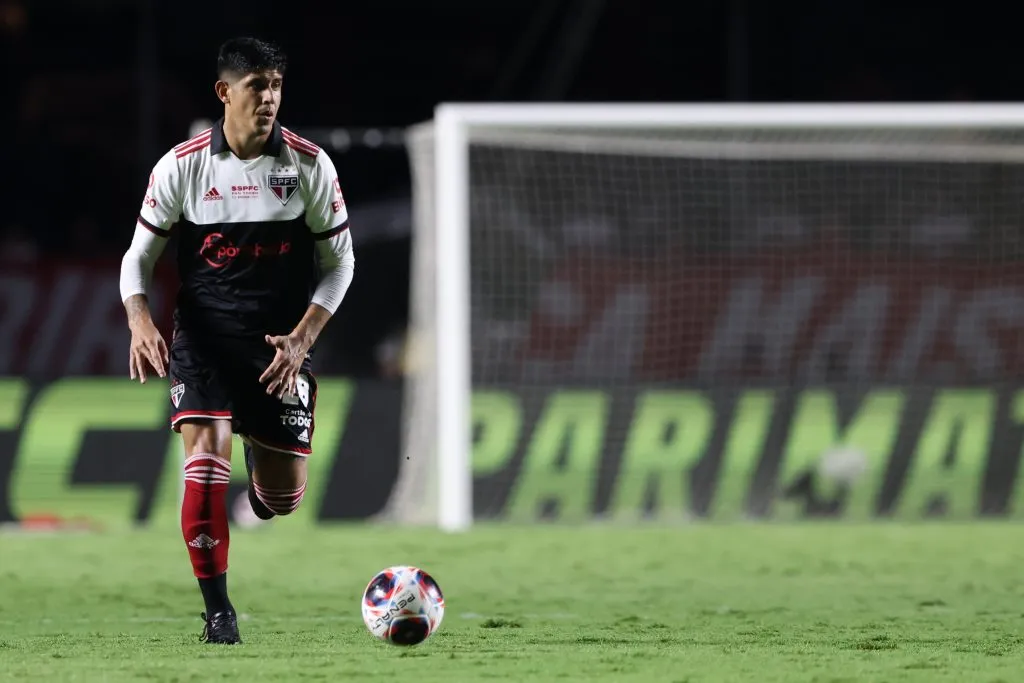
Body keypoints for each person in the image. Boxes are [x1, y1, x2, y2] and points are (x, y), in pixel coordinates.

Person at [118, 37, 355, 645]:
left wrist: (304, 338)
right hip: (203, 340)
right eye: (257, 86)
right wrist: (140, 321)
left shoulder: (309, 166)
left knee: (281, 501)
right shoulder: (183, 165)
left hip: (278, 349)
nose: (270, 98)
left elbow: (340, 265)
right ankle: (218, 611)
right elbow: (137, 258)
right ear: (225, 92)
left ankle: (261, 448)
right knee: (204, 465)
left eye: (276, 84)